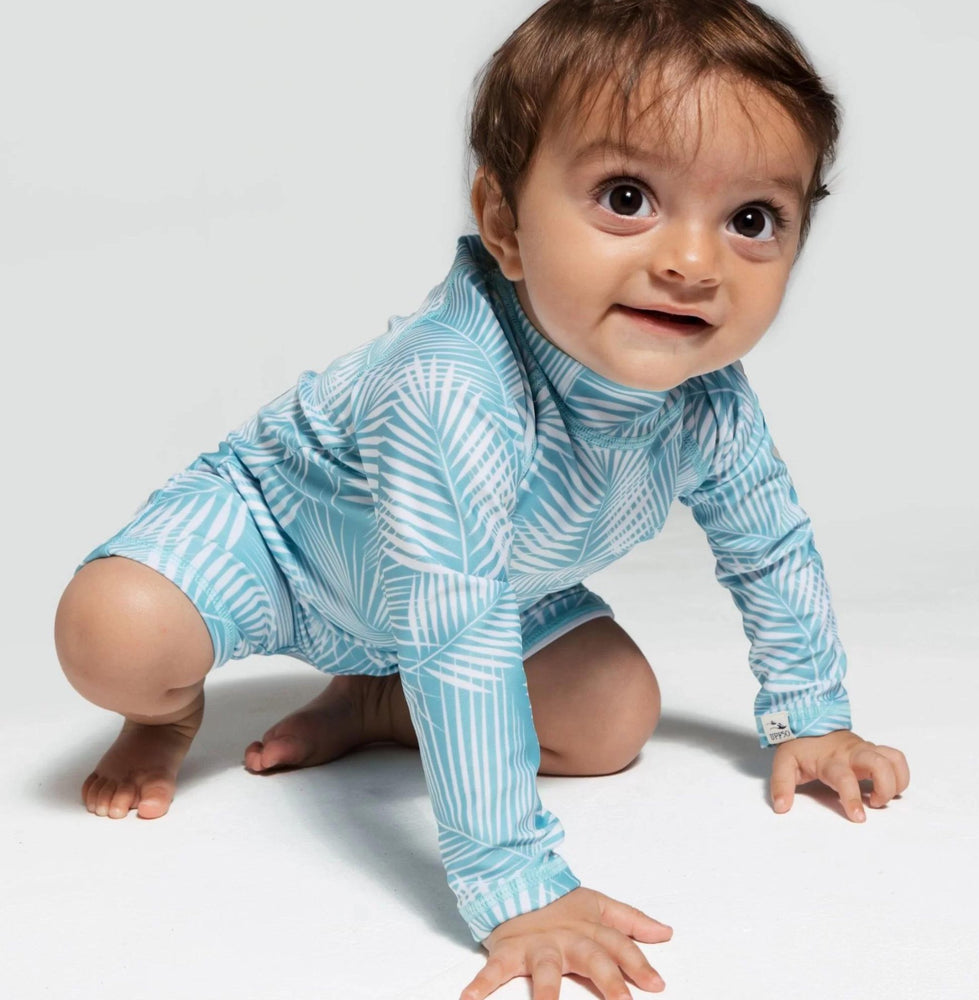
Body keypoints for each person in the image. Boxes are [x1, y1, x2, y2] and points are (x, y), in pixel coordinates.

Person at [54, 1, 911, 998]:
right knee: (113, 634)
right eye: (627, 195)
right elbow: (455, 632)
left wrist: (809, 714)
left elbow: (769, 546)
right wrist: (514, 881)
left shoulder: (705, 399)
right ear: (503, 222)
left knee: (612, 719)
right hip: (283, 550)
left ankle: (378, 698)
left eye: (750, 220)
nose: (690, 261)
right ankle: (168, 713)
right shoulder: (452, 388)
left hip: (483, 581)